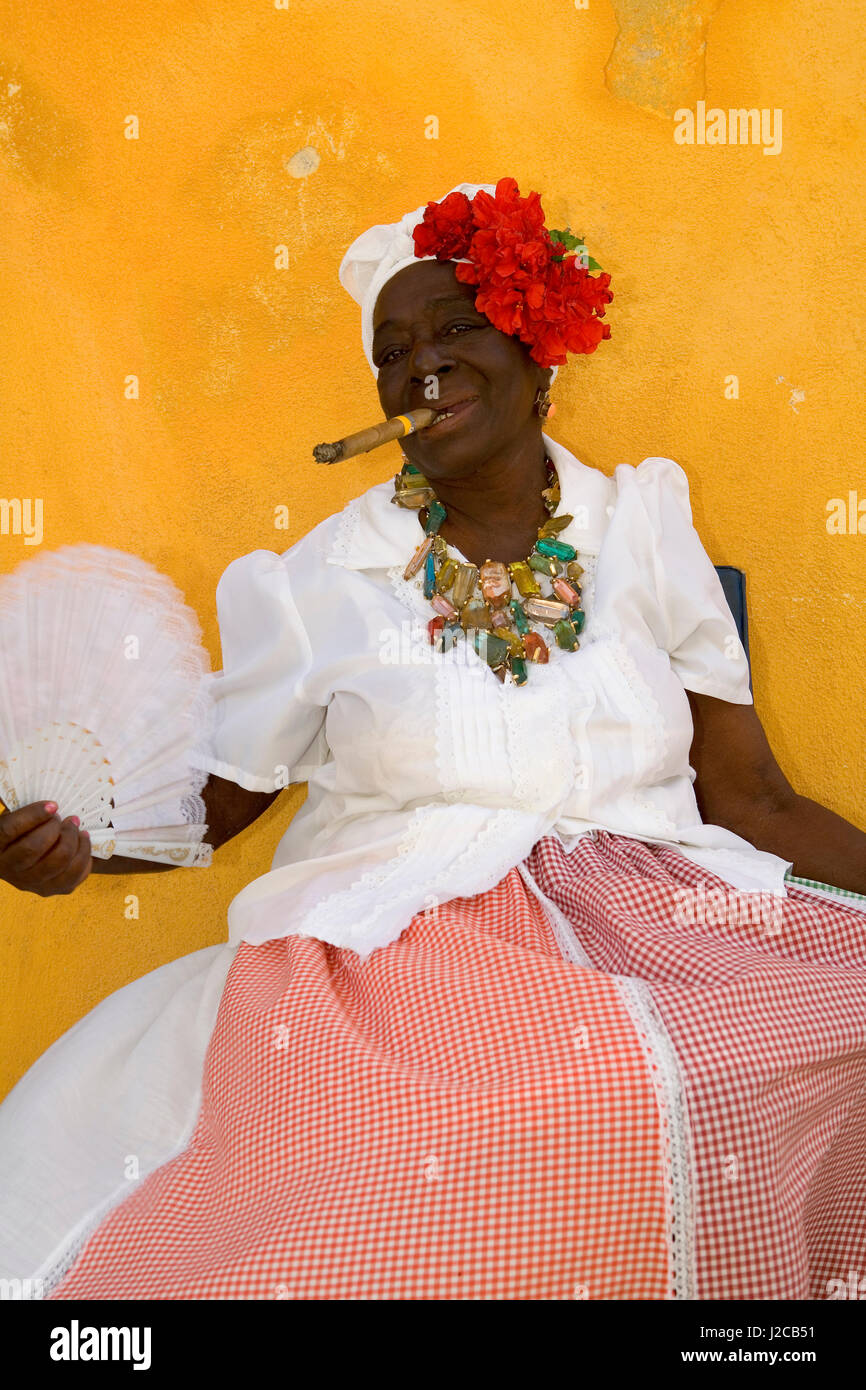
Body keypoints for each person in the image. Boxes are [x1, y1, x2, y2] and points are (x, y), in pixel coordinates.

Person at [1, 179, 865, 1301]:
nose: (422, 362)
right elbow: (208, 809)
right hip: (398, 953)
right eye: (392, 346)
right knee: (519, 1115)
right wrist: (75, 845)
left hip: (663, 925)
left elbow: (751, 797)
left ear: (539, 358)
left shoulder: (641, 527)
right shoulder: (316, 579)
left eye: (457, 328)